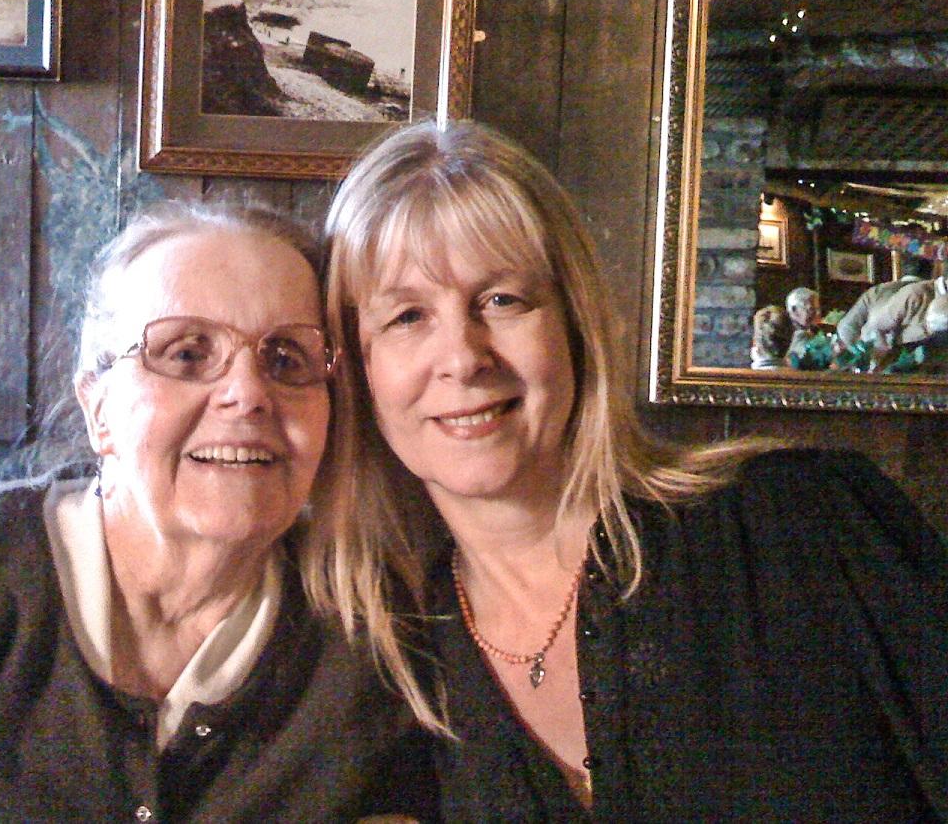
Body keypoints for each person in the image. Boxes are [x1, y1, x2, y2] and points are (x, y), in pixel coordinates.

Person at [318, 120, 948, 820]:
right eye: (407, 316)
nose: (463, 358)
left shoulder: (805, 527)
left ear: (575, 325)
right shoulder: (389, 665)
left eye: (502, 300)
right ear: (358, 369)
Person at [0, 201, 437, 821]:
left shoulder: (371, 634)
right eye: (186, 353)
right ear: (98, 406)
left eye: (286, 358)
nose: (248, 393)